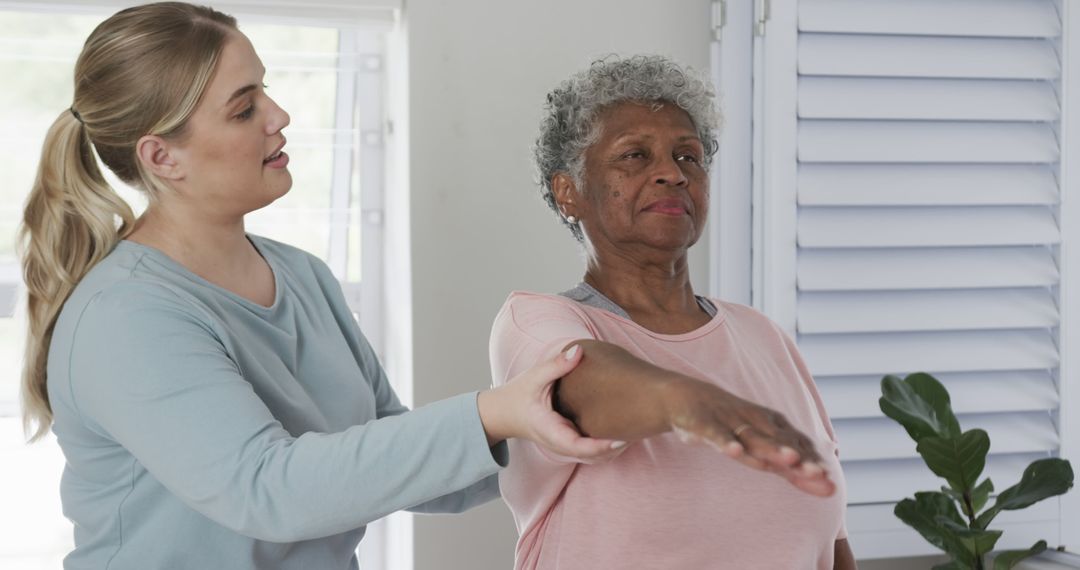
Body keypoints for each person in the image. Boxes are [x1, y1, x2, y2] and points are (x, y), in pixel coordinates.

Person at [18, 4, 621, 569]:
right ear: (162, 157)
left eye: (266, 90)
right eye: (243, 107)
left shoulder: (302, 276)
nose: (278, 116)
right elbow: (269, 489)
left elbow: (389, 453)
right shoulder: (123, 317)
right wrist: (494, 411)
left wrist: (566, 423)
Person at [490, 55, 857, 569]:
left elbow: (831, 541)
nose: (672, 174)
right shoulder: (538, 323)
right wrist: (690, 400)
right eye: (635, 155)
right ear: (568, 192)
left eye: (689, 156)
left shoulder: (763, 337)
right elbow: (584, 386)